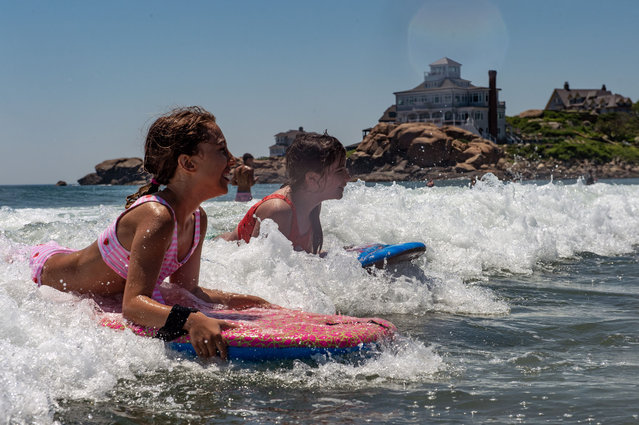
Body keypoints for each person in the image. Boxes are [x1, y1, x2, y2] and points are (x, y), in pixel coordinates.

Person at [29, 106, 272, 359]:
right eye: (222, 150)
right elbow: (133, 305)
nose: (232, 159)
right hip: (43, 270)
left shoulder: (197, 218)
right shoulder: (158, 217)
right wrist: (191, 321)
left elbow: (188, 291)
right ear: (187, 163)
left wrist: (253, 302)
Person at [220, 133, 349, 254]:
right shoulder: (278, 211)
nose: (348, 177)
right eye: (340, 171)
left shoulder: (313, 204)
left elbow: (305, 257)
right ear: (312, 179)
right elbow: (257, 271)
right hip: (218, 253)